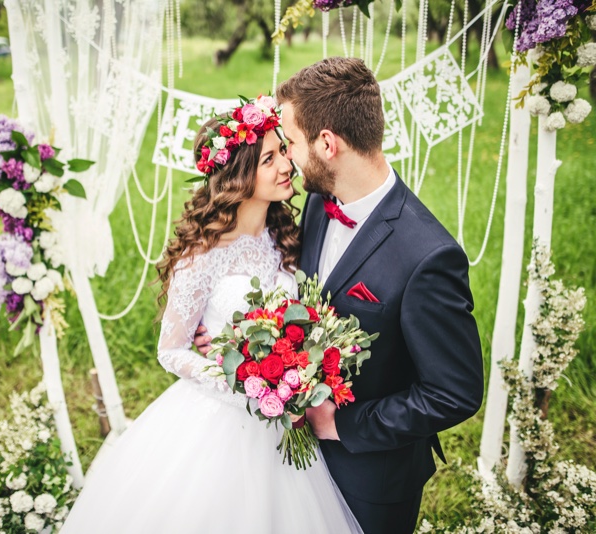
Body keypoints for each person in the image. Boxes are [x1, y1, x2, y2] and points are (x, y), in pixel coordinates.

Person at [194, 57, 484, 534]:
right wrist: (238, 343)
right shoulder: (316, 201)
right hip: (286, 462)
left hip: (370, 477)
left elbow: (455, 392)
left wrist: (341, 425)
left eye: (289, 143)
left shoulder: (429, 256)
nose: (285, 157)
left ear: (327, 144)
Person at [59, 96, 362, 534]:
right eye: (269, 159)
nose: (286, 166)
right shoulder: (204, 256)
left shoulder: (286, 237)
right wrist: (241, 380)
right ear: (239, 175)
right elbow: (171, 350)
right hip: (225, 417)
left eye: (283, 151)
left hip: (286, 417)